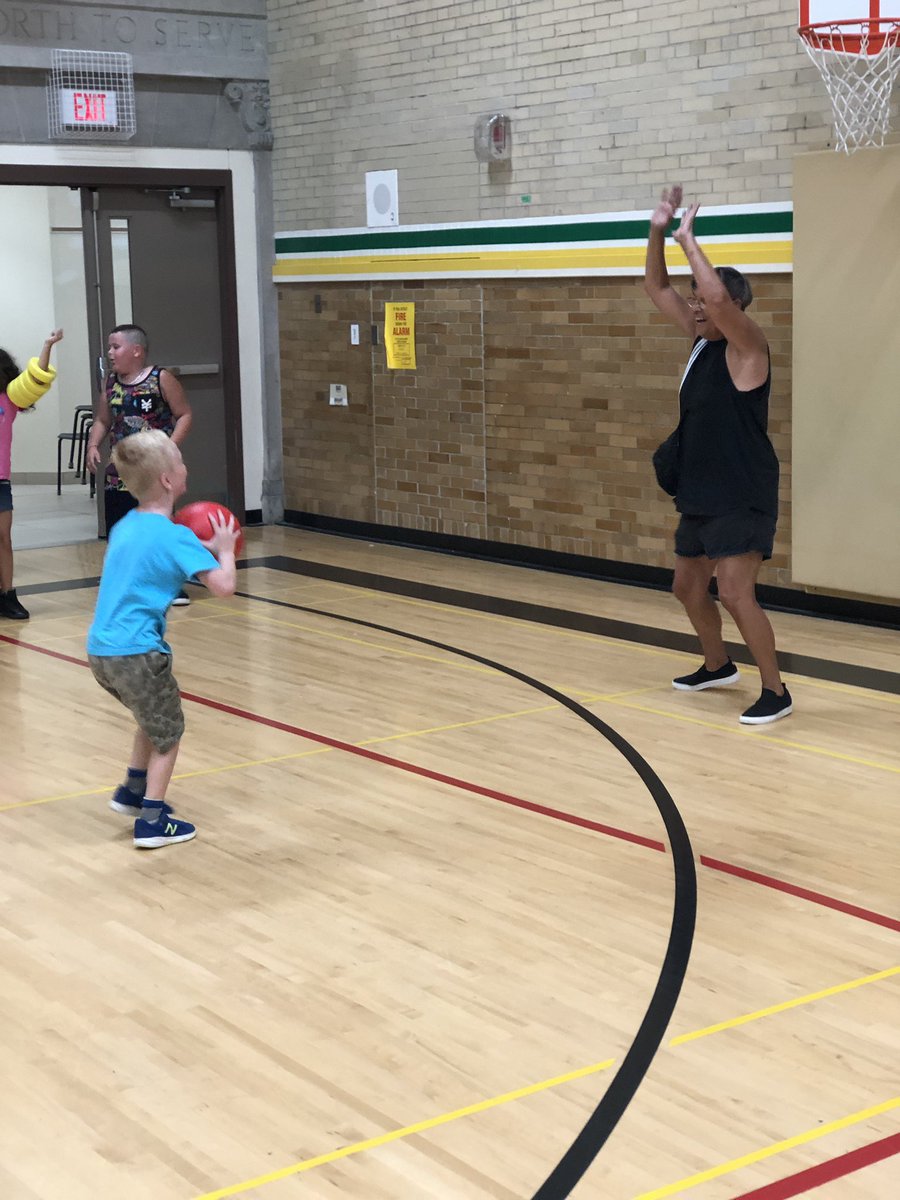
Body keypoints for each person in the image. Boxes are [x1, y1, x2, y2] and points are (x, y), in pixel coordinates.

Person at [644, 185, 791, 725]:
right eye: (696, 299)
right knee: (687, 586)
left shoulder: (749, 347)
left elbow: (722, 301)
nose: (696, 305)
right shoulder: (699, 340)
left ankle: (775, 690)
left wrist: (689, 240)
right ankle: (718, 665)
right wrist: (658, 229)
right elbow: (655, 286)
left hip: (743, 491)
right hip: (702, 491)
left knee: (733, 591)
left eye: (703, 298)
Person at [86, 428, 239, 848]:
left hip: (102, 651)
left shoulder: (127, 526)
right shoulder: (175, 537)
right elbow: (223, 586)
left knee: (149, 718)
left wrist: (197, 545)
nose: (185, 465)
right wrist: (224, 549)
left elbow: (154, 559)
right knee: (169, 735)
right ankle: (152, 822)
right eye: (180, 460)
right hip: (139, 653)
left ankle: (132, 793)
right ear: (170, 480)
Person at [85, 323, 194, 605]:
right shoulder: (110, 383)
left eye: (115, 346)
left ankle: (169, 585)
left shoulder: (161, 378)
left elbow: (184, 415)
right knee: (119, 527)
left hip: (156, 471)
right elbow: (103, 420)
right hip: (120, 470)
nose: (110, 353)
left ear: (136, 351)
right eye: (109, 347)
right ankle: (122, 581)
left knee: (158, 526)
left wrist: (169, 447)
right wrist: (93, 444)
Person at [0, 329, 64, 620]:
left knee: (4, 538)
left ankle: (7, 594)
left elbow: (37, 376)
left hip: (0, 482)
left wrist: (47, 345)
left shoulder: (10, 398)